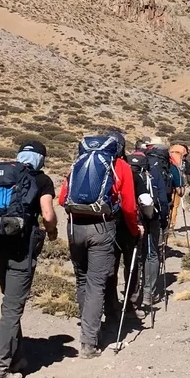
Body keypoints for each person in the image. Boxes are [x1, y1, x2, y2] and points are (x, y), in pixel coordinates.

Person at [0, 141, 58, 378]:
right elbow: (48, 215)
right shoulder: (42, 180)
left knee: (10, 302)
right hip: (21, 251)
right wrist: (52, 232)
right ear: (41, 158)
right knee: (12, 309)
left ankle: (16, 358)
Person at [58, 130, 141, 359]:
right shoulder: (120, 166)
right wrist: (134, 231)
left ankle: (87, 328)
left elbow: (62, 198)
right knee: (96, 283)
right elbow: (129, 207)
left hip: (74, 227)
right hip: (102, 227)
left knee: (82, 279)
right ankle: (89, 342)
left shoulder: (79, 163)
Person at [129, 138, 171, 314]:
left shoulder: (126, 170)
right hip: (151, 218)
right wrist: (162, 219)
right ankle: (148, 293)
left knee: (134, 256)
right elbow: (162, 198)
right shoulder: (154, 171)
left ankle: (133, 295)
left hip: (131, 218)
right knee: (152, 254)